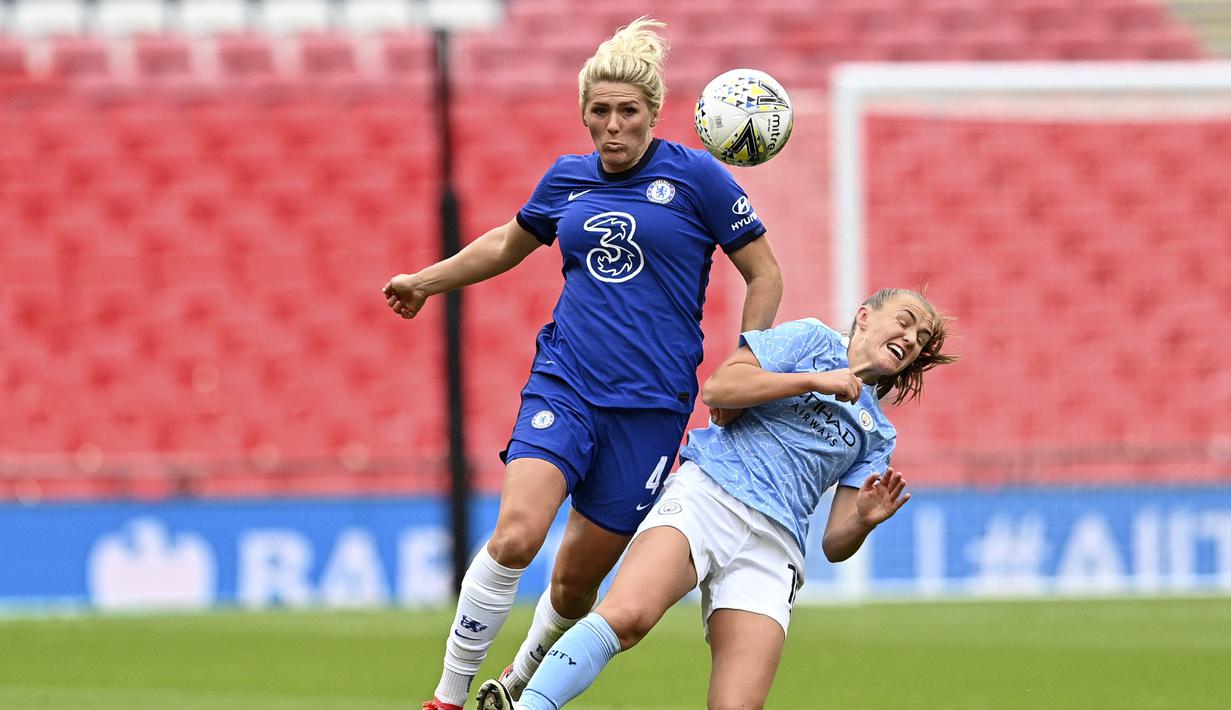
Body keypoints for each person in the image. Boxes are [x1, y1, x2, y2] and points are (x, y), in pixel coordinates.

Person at [382, 17, 783, 710]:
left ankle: (517, 682)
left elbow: (765, 274)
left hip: (651, 411)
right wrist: (425, 280)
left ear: (652, 114)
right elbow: (508, 243)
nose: (612, 126)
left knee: (572, 588)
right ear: (584, 116)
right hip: (564, 385)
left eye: (627, 112)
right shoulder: (565, 180)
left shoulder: (696, 178)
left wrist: (748, 360)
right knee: (514, 536)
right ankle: (446, 698)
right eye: (598, 112)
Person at [474, 288, 956, 710]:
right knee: (628, 617)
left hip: (776, 545)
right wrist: (813, 380)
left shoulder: (879, 433)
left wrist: (864, 520)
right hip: (710, 496)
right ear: (865, 316)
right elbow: (720, 388)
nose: (911, 338)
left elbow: (834, 544)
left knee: (737, 703)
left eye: (920, 339)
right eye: (905, 320)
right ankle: (532, 704)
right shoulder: (810, 340)